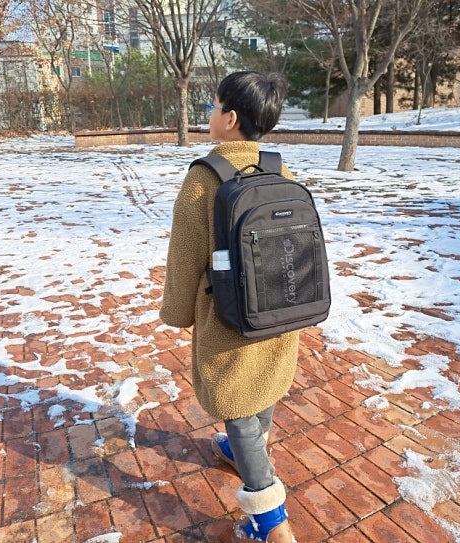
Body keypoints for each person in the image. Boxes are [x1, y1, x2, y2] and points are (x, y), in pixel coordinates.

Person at [160, 71, 297, 542]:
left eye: (213, 106)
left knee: (236, 401)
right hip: (280, 307)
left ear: (231, 118)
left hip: (227, 315)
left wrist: (178, 313)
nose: (209, 115)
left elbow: (184, 256)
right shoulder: (277, 168)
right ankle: (244, 452)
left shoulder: (205, 176)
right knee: (264, 380)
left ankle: (270, 522)